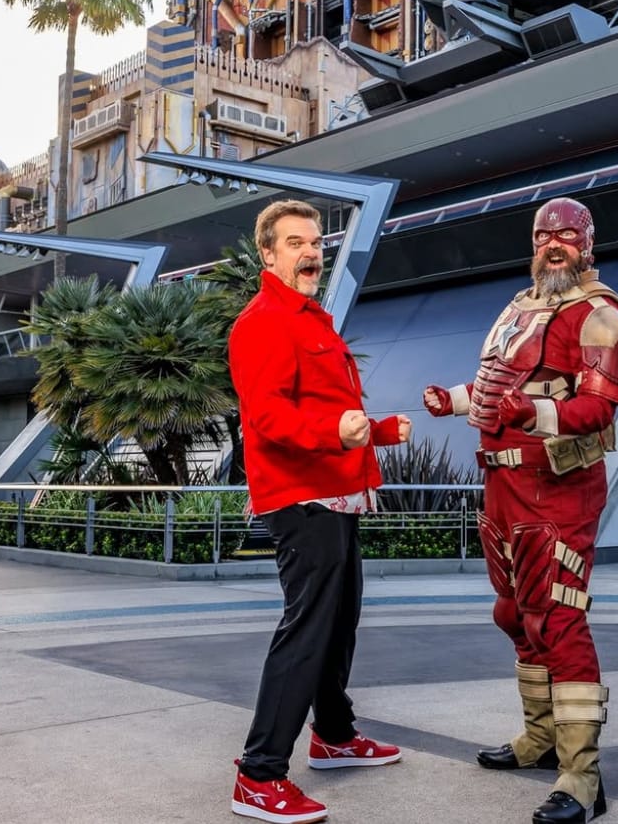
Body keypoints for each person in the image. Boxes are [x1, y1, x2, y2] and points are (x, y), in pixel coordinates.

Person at [423, 197, 618, 824]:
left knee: (559, 620)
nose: (555, 244)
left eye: (567, 235)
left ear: (588, 243)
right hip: (503, 491)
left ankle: (582, 777)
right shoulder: (520, 306)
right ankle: (541, 739)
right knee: (515, 612)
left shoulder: (601, 316)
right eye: (546, 235)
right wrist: (454, 400)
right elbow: (495, 384)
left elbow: (597, 410)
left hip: (558, 491)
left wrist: (531, 415)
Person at [229, 199, 412, 824]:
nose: (311, 252)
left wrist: (378, 430)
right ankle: (259, 774)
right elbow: (269, 418)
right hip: (301, 497)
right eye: (296, 243)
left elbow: (333, 412)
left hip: (337, 492)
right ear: (269, 253)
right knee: (308, 629)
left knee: (339, 623)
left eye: (316, 243)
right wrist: (339, 429)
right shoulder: (263, 322)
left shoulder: (313, 319)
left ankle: (333, 735)